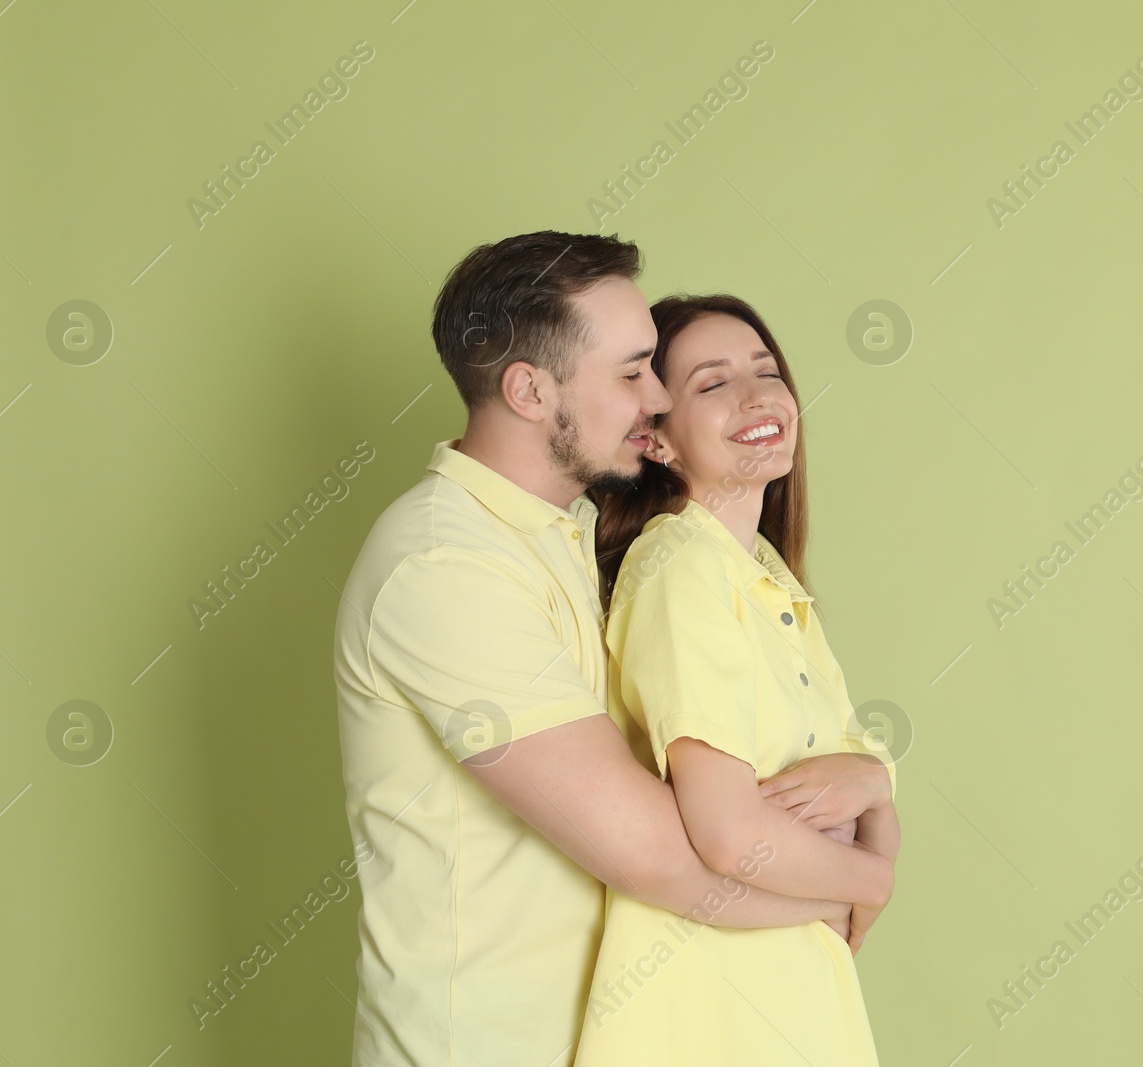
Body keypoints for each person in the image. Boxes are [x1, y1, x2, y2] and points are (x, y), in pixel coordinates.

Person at [333, 232, 894, 1067]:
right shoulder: (444, 566)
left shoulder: (567, 533)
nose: (659, 397)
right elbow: (661, 853)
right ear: (528, 390)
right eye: (633, 371)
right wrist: (847, 890)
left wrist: (869, 774)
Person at [573, 293, 902, 1067]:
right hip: (707, 1010)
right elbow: (732, 833)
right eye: (713, 383)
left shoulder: (768, 580)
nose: (759, 397)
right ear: (656, 438)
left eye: (767, 370)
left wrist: (874, 784)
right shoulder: (680, 568)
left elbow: (863, 791)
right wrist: (868, 880)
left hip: (793, 998)